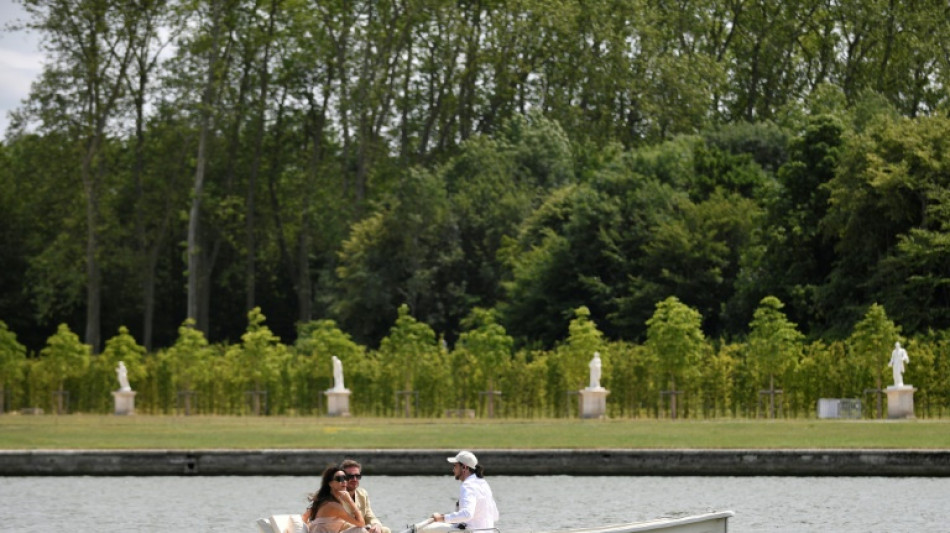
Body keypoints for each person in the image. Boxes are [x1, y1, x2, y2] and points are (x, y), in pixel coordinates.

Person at [431, 451, 498, 531]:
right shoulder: (483, 483)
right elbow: (495, 515)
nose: (453, 469)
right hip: (489, 531)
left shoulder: (468, 486)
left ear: (464, 467)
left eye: (455, 466)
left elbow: (467, 514)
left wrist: (442, 518)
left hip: (472, 531)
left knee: (426, 529)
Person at [303, 465, 366, 533]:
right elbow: (361, 523)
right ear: (330, 484)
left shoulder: (323, 501)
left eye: (345, 478)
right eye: (339, 479)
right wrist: (350, 501)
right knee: (360, 530)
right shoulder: (333, 505)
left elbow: (304, 517)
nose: (344, 481)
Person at [341, 458, 391, 533]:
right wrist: (365, 528)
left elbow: (369, 516)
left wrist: (376, 525)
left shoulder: (362, 494)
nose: (354, 479)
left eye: (357, 476)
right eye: (350, 476)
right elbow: (340, 523)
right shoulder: (335, 496)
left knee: (385, 530)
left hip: (361, 529)